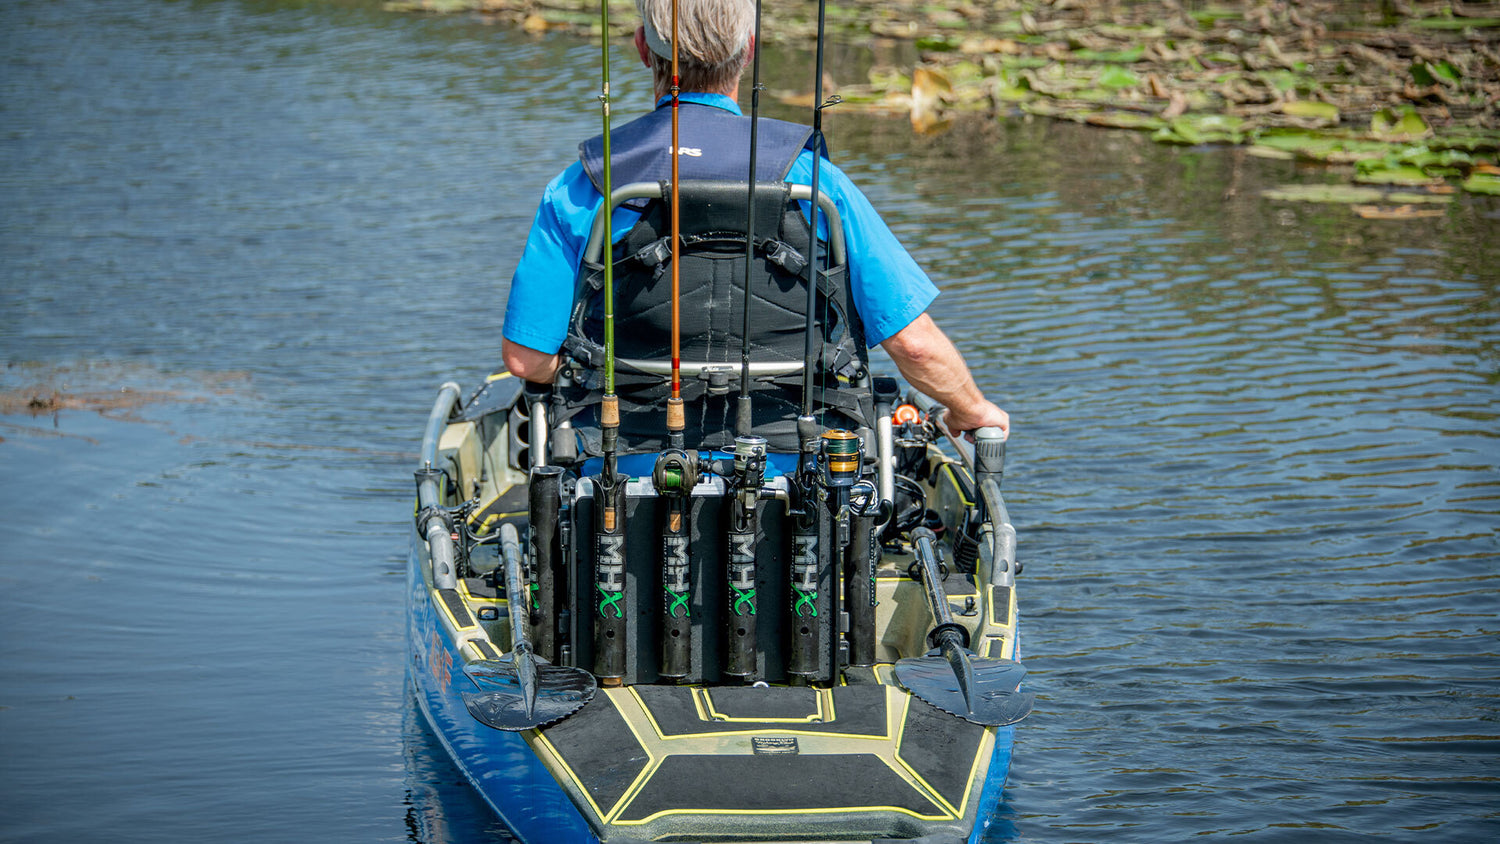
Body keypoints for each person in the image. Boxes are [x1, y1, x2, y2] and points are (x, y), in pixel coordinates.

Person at [501, 0, 1008, 444]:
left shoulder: (585, 183)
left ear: (641, 47)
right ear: (747, 50)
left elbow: (527, 360)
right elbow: (913, 344)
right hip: (797, 469)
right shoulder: (815, 181)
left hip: (621, 462)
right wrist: (971, 408)